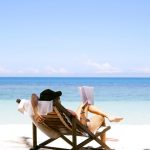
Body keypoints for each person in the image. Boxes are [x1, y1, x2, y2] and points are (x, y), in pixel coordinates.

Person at [17, 88, 123, 144]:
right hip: (81, 128)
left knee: (85, 104)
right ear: (56, 100)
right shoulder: (58, 108)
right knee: (100, 116)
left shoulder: (41, 109)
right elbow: (79, 121)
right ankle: (108, 119)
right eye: (58, 98)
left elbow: (33, 95)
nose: (59, 99)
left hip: (64, 127)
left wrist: (36, 113)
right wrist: (81, 112)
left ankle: (104, 130)